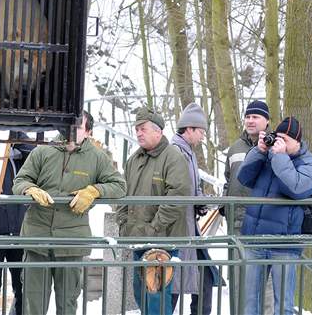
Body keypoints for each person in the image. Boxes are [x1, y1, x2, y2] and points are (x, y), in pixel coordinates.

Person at [13, 111, 127, 315]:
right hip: (37, 239)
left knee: (68, 305)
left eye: (78, 127)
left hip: (71, 244)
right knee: (33, 305)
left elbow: (119, 186)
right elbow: (20, 181)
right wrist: (29, 189)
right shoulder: (43, 151)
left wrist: (95, 191)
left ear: (88, 131)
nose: (72, 131)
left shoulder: (97, 158)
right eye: (68, 125)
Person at [237, 116, 312, 315]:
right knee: (250, 304)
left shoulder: (310, 164)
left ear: (297, 142)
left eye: (285, 140)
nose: (278, 143)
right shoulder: (269, 155)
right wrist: (258, 151)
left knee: (283, 306)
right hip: (255, 239)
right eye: (277, 137)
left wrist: (280, 156)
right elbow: (244, 177)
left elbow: (296, 188)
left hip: (285, 243)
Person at [117, 107, 190, 315]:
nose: (138, 133)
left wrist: (154, 228)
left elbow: (177, 197)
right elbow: (124, 193)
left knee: (156, 298)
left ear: (158, 131)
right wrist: (123, 221)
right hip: (138, 238)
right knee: (141, 293)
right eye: (136, 129)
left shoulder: (174, 158)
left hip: (162, 243)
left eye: (143, 129)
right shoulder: (134, 160)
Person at [220, 100, 274, 311]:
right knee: (238, 281)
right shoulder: (234, 149)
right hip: (237, 224)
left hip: (265, 225)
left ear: (267, 121)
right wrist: (225, 202)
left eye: (256, 117)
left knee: (266, 283)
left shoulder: (277, 145)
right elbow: (228, 179)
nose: (250, 121)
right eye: (248, 116)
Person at [169, 104, 220, 314]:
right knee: (172, 285)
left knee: (204, 278)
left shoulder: (187, 152)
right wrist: (197, 200)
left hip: (190, 228)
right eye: (201, 132)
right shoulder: (176, 152)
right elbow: (177, 190)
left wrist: (200, 201)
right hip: (177, 229)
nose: (202, 137)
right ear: (189, 129)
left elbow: (190, 188)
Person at [0, 132, 34, 315]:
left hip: (20, 232)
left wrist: (16, 140)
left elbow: (35, 149)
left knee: (23, 288)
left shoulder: (23, 151)